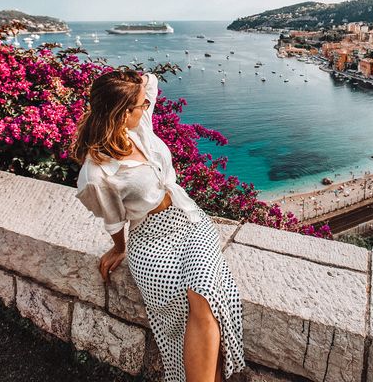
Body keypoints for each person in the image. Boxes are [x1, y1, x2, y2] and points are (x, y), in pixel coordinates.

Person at [69, 69, 246, 382]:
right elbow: (113, 218)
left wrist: (134, 81)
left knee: (203, 292)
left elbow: (149, 83)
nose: (146, 107)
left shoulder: (139, 127)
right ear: (122, 113)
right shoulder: (95, 174)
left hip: (189, 221)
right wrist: (119, 248)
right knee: (184, 302)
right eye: (139, 105)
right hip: (150, 241)